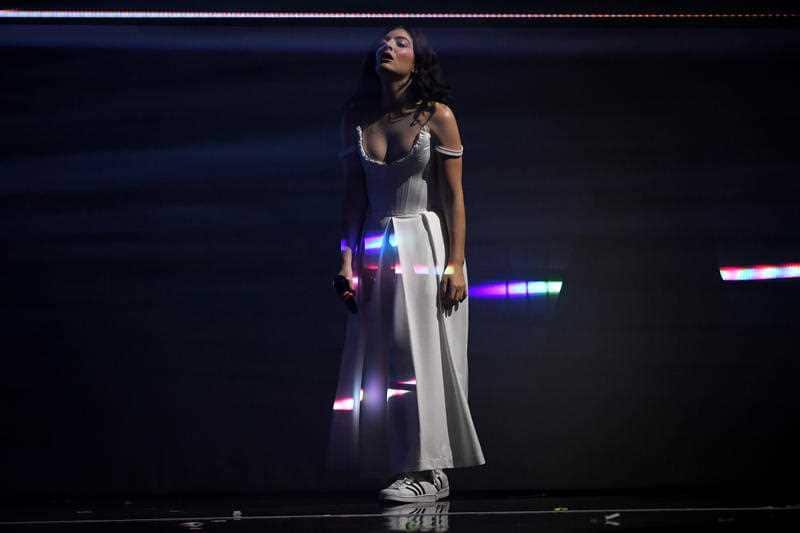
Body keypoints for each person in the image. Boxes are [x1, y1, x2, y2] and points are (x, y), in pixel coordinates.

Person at [327, 22, 485, 503]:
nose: (387, 47)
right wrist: (345, 261)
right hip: (378, 246)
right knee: (389, 356)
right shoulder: (360, 123)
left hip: (422, 243)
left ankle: (432, 469)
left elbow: (455, 197)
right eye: (383, 41)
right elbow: (353, 200)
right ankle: (409, 462)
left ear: (417, 60)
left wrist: (455, 263)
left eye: (400, 42)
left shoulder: (437, 115)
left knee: (423, 354)